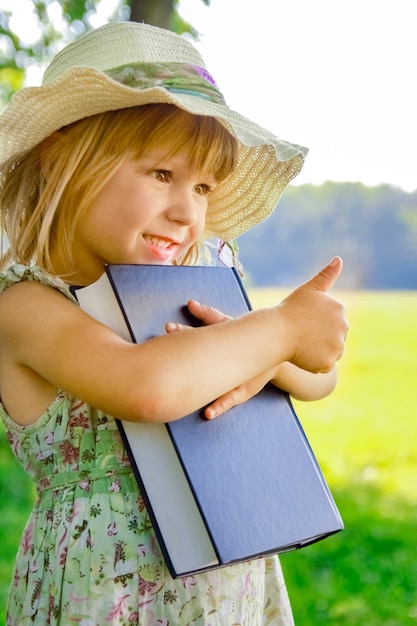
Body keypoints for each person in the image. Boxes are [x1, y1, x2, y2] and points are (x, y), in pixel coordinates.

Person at [0, 21, 348, 626]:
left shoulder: (199, 283)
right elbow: (146, 387)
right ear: (61, 160)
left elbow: (317, 379)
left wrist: (270, 354)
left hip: (227, 577)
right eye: (162, 174)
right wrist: (281, 330)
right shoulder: (27, 307)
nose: (188, 210)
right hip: (107, 591)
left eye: (205, 186)